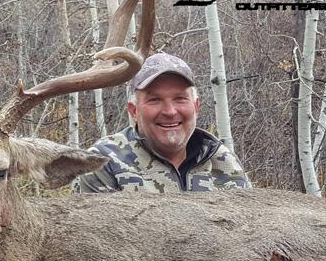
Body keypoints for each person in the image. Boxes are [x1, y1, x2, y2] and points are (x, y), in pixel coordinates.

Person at [74, 52, 250, 193]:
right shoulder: (102, 162)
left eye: (180, 98)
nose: (170, 111)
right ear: (133, 111)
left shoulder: (222, 159)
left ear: (196, 107)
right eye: (154, 100)